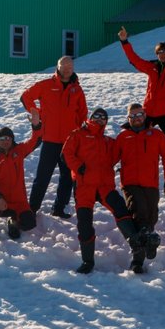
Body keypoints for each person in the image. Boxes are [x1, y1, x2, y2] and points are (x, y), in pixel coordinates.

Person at [62, 108, 144, 274]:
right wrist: (79, 167)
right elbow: (67, 153)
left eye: (103, 118)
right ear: (90, 118)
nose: (99, 120)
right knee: (84, 222)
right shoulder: (77, 134)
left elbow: (122, 150)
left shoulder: (108, 141)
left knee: (121, 210)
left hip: (105, 186)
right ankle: (87, 261)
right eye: (97, 117)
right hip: (84, 186)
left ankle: (137, 246)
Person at [21, 55, 88, 219]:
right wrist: (34, 111)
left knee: (66, 177)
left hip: (68, 142)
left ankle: (59, 208)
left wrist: (78, 132)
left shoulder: (77, 90)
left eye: (70, 67)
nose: (67, 69)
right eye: (64, 66)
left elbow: (82, 113)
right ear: (58, 67)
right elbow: (25, 97)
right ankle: (32, 208)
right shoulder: (46, 85)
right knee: (42, 176)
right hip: (49, 139)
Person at [116, 103, 165, 273]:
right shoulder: (123, 137)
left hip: (150, 183)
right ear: (128, 119)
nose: (136, 118)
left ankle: (148, 244)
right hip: (130, 183)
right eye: (132, 116)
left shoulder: (156, 135)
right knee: (139, 212)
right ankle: (137, 260)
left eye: (139, 114)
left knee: (150, 218)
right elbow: (109, 159)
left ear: (145, 115)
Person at [118, 27, 165, 163]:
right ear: (156, 54)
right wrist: (124, 41)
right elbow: (134, 60)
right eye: (160, 52)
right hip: (149, 112)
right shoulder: (152, 67)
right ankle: (133, 159)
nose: (163, 55)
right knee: (136, 135)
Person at [0, 113, 43, 246]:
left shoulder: (19, 151)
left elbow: (36, 140)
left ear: (12, 140)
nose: (5, 141)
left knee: (30, 223)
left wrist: (36, 125)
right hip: (2, 201)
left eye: (8, 138)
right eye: (2, 138)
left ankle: (13, 222)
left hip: (19, 202)